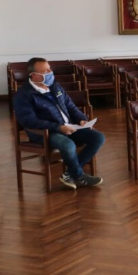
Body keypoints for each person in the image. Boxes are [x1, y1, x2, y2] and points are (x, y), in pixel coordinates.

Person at [13, 57, 105, 189]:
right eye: (45, 71)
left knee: (98, 137)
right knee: (68, 145)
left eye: (49, 68)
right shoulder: (23, 95)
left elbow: (70, 106)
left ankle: (69, 174)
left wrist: (81, 119)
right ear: (33, 75)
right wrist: (57, 127)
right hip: (45, 132)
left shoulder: (55, 86)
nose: (50, 72)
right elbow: (28, 120)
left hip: (68, 127)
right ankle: (79, 176)